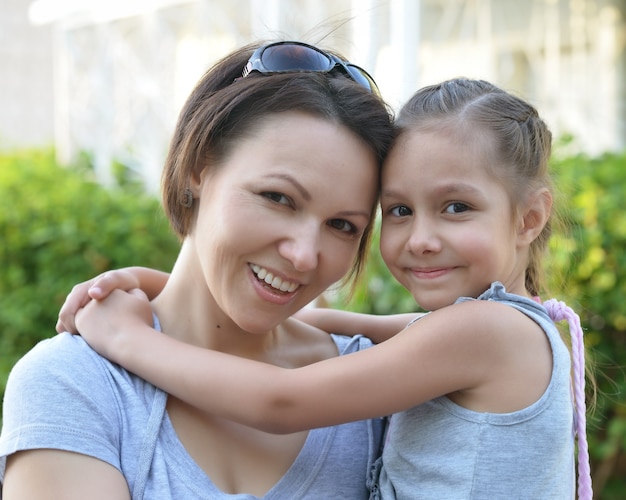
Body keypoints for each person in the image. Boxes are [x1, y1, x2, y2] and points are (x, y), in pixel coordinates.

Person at [55, 78, 594, 499]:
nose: (421, 239)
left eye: (457, 207)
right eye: (400, 211)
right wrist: (160, 289)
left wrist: (127, 338)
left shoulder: (484, 332)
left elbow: (281, 400)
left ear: (529, 218)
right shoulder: (497, 328)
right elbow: (326, 322)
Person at [0, 40, 404, 499]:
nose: (304, 255)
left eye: (342, 225)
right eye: (278, 198)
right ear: (198, 167)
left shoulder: (371, 388)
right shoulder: (77, 383)